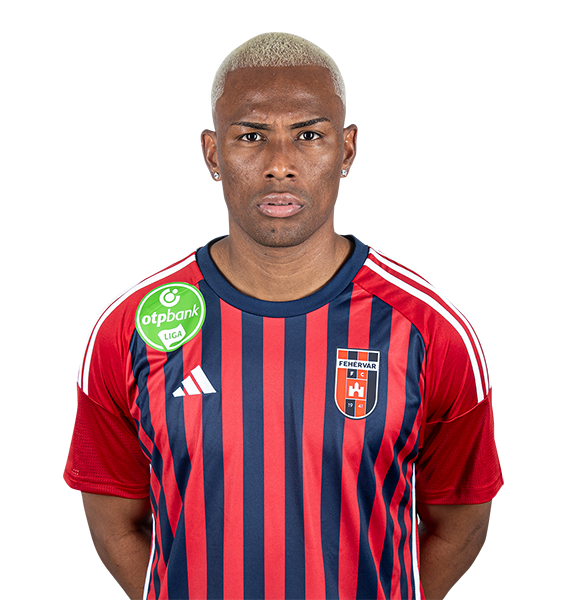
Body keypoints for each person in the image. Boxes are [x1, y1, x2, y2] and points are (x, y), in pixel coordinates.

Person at [67, 33, 501, 600]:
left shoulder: (431, 330)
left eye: (309, 135)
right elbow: (117, 524)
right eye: (251, 136)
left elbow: (458, 525)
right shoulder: (131, 327)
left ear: (346, 150)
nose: (279, 165)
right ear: (213, 152)